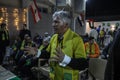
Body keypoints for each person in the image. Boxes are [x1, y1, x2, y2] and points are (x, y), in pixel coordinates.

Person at [24, 10, 88, 80]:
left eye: (56, 22)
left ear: (66, 25)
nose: (53, 25)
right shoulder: (54, 37)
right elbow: (48, 54)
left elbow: (83, 64)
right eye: (53, 22)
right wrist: (37, 52)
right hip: (54, 76)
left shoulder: (76, 39)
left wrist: (65, 59)